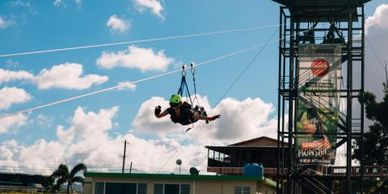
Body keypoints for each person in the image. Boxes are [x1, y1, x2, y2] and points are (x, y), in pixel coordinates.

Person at [154, 94, 220, 126]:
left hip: (191, 119)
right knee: (195, 112)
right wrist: (156, 111)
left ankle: (201, 110)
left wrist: (209, 118)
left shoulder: (186, 110)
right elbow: (158, 116)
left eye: (175, 105)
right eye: (171, 105)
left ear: (180, 104)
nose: (173, 107)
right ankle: (198, 109)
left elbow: (198, 117)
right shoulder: (170, 110)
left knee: (196, 113)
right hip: (183, 121)